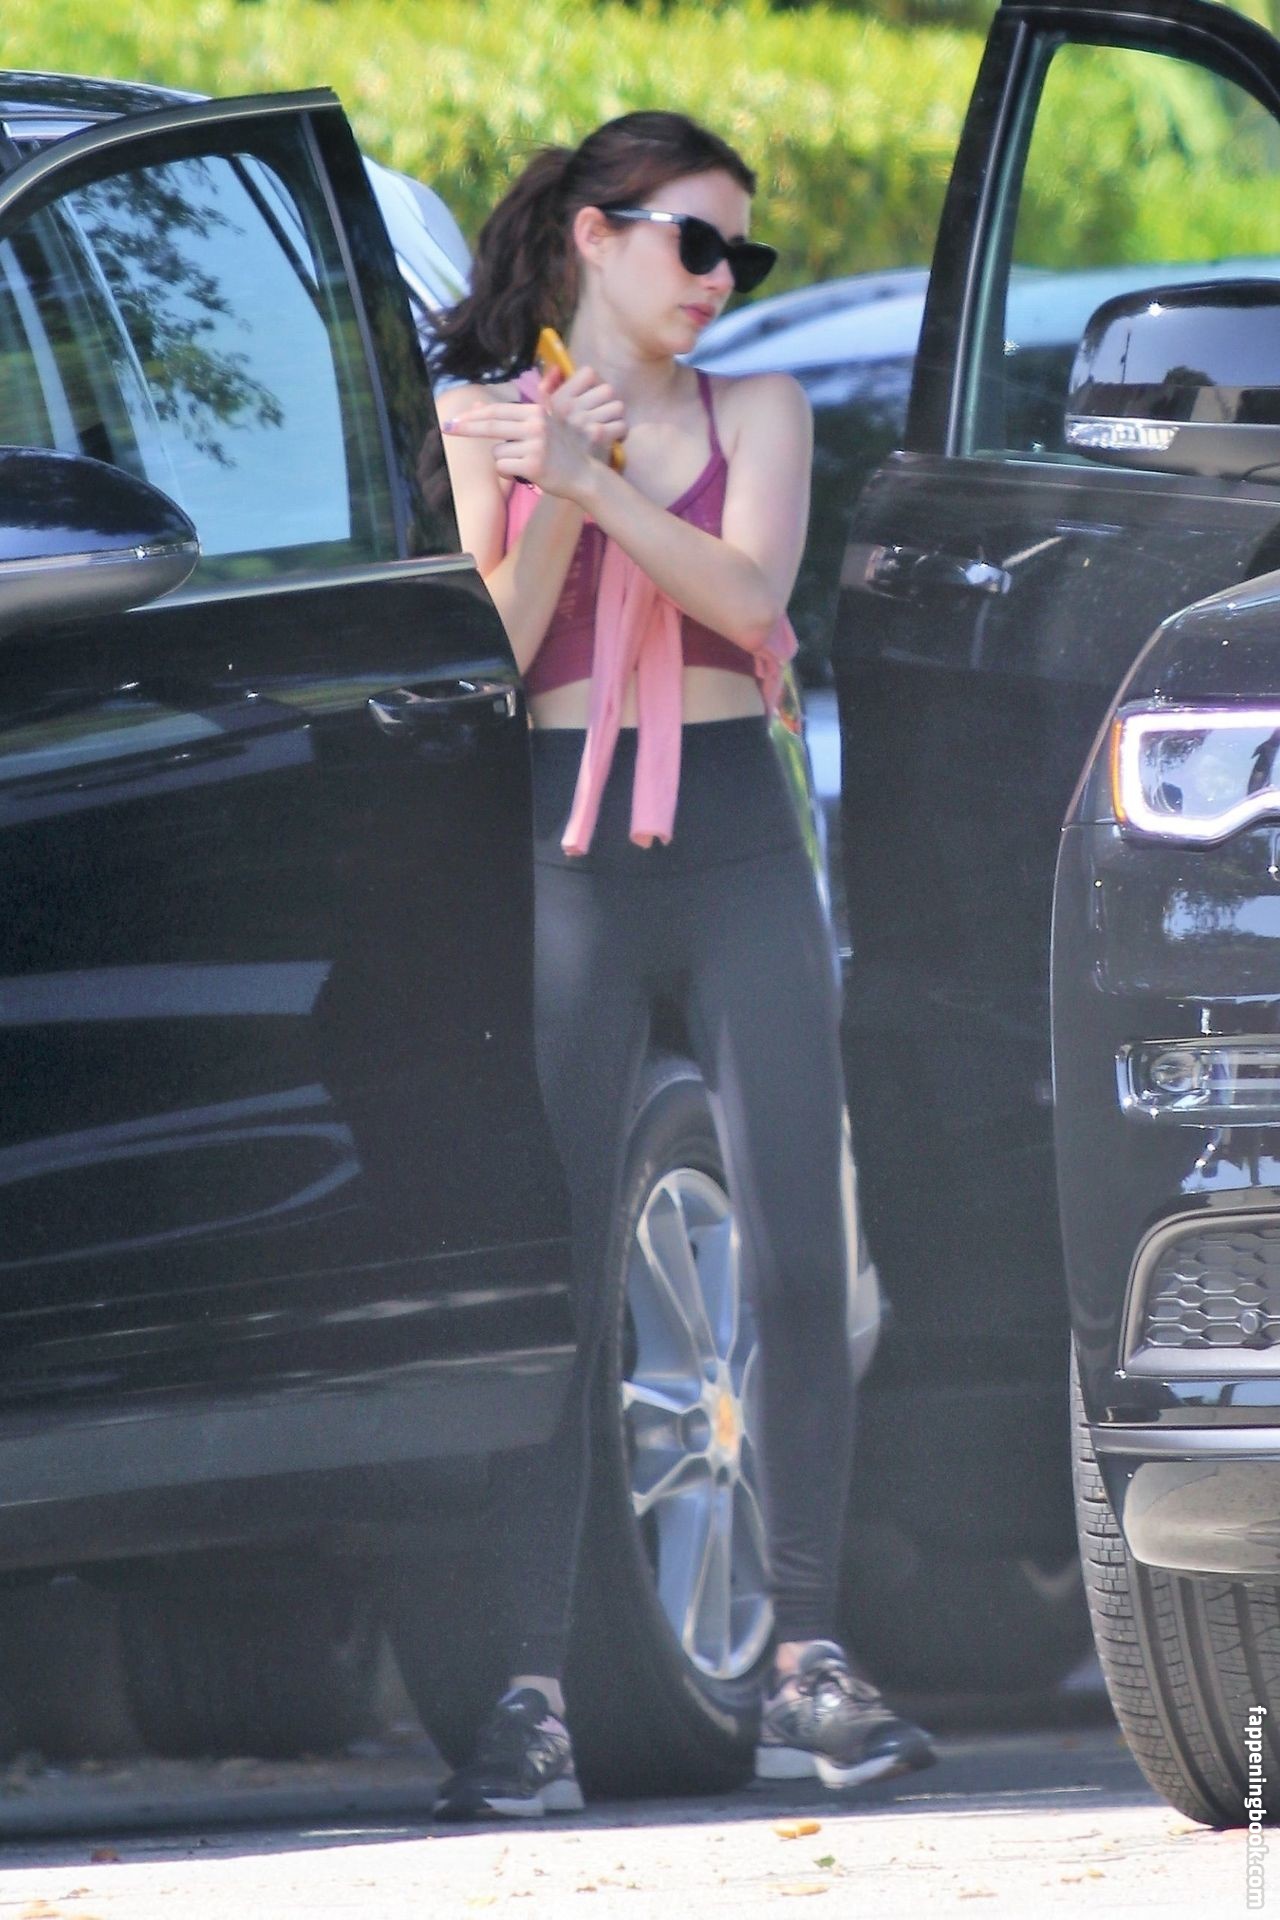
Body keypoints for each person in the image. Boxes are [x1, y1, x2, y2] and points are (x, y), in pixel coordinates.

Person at [428, 109, 935, 1821]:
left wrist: (601, 484)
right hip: (567, 846)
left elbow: (747, 596)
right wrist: (551, 491)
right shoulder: (489, 417)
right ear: (596, 232)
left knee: (792, 1249)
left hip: (732, 835)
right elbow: (499, 650)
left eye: (742, 252)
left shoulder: (758, 412)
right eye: (694, 242)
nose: (722, 278)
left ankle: (809, 1656)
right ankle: (529, 1689)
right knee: (563, 1274)